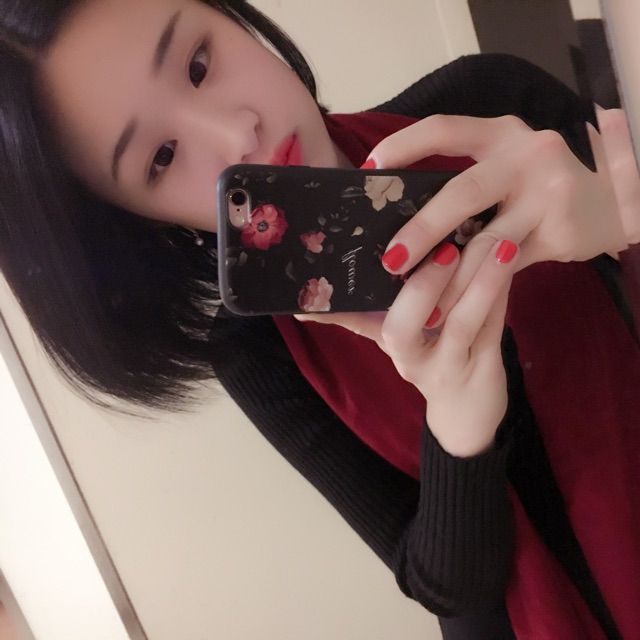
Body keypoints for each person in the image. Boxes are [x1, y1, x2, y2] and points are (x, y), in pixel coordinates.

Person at [0, 0, 639, 637]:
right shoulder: (256, 352)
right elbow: (444, 584)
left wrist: (625, 229)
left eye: (198, 64)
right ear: (143, 222)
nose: (236, 135)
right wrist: (457, 431)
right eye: (161, 158)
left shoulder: (487, 100)